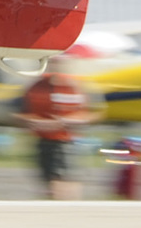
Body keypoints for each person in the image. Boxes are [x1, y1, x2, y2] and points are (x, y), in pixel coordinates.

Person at [13, 72, 104, 200]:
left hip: (66, 140)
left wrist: (65, 122)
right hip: (43, 140)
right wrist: (34, 122)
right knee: (48, 183)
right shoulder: (37, 87)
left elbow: (93, 113)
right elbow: (19, 113)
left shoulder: (74, 85)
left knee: (65, 181)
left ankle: (69, 209)